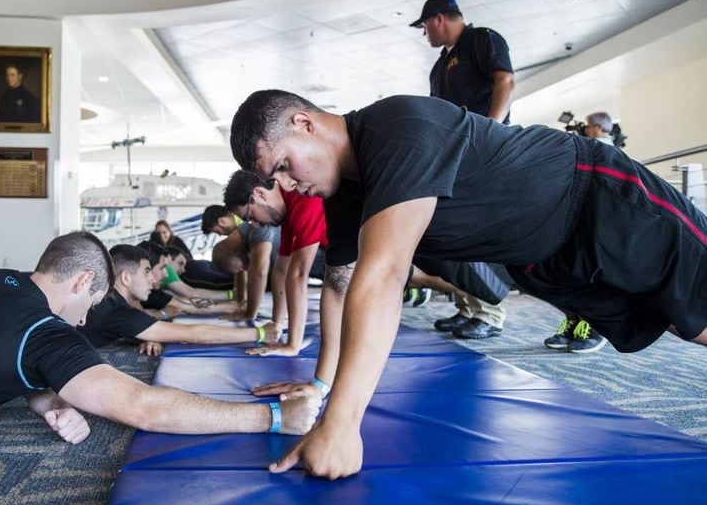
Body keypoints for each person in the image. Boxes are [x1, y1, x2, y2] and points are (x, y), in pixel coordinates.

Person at [229, 89, 707, 479]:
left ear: (304, 123)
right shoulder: (345, 190)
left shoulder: (397, 127)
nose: (288, 187)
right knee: (673, 323)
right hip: (546, 260)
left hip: (599, 199)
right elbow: (339, 287)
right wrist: (320, 389)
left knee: (701, 318)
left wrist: (342, 423)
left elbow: (386, 273)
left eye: (285, 167)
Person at [0, 231, 320, 446]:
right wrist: (273, 417)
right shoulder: (46, 336)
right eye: (92, 301)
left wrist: (52, 399)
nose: (89, 314)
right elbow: (145, 406)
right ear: (82, 280)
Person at [412, 0, 515, 338]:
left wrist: (492, 128)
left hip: (484, 149)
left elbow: (506, 81)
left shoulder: (482, 39)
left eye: (425, 26)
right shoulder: (440, 67)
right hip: (454, 157)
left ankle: (490, 313)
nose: (425, 33)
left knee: (477, 231)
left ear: (439, 18)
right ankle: (469, 306)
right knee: (456, 233)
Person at [78, 244, 279, 356]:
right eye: (147, 271)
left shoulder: (108, 300)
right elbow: (194, 333)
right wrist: (261, 332)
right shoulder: (117, 311)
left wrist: (150, 333)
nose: (153, 278)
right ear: (125, 277)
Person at [223, 170, 327, 356]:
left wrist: (292, 345)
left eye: (250, 216)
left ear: (260, 194)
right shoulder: (287, 213)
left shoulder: (303, 199)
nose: (254, 224)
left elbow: (299, 274)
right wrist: (277, 324)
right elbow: (280, 271)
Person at [543, 111, 617, 354]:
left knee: (589, 275)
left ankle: (595, 326)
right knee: (565, 273)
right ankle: (574, 321)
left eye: (587, 127)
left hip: (598, 223)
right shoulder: (588, 148)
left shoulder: (609, 153)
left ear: (598, 128)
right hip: (575, 218)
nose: (584, 130)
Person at [208, 209, 284, 325]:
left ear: (236, 252)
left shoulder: (257, 227)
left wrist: (249, 314)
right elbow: (241, 273)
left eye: (240, 267)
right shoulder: (243, 238)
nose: (245, 269)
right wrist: (241, 301)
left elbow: (259, 273)